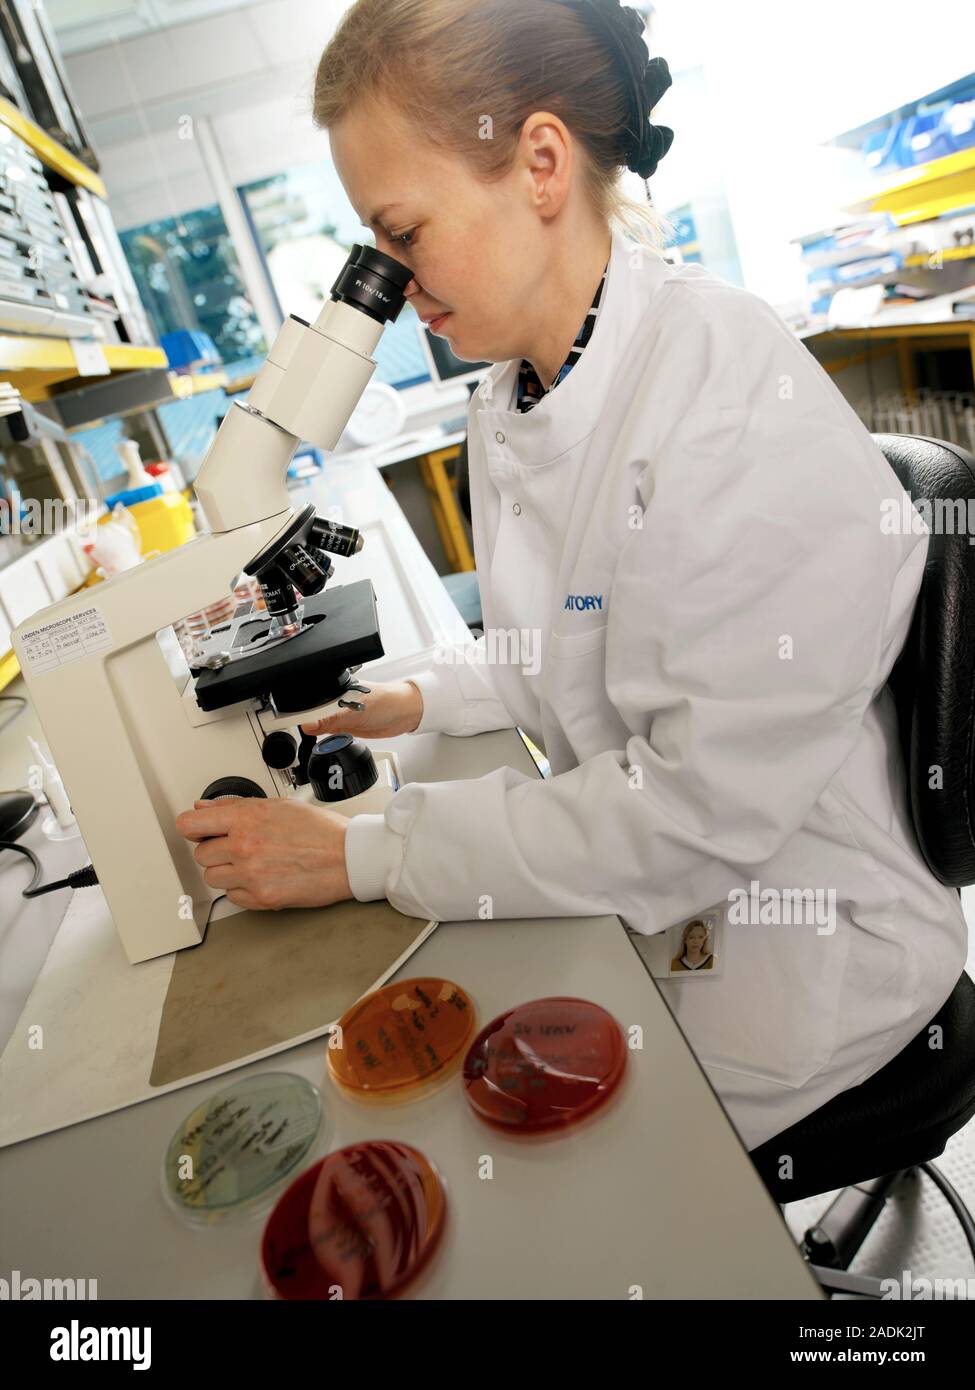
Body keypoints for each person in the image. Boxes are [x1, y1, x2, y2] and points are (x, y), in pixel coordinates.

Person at [175, 0, 967, 1153]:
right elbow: (575, 637)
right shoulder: (512, 395)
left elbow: (691, 813)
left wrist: (367, 851)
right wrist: (427, 697)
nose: (390, 284)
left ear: (541, 162)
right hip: (673, 901)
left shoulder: (727, 397)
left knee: (489, 1160)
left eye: (405, 234)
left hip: (810, 959)